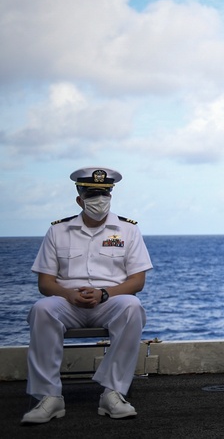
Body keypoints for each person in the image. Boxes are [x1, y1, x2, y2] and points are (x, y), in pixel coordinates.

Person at [21, 167, 153, 424]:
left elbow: (137, 281)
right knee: (42, 309)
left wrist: (104, 293)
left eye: (104, 195)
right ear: (79, 199)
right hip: (68, 302)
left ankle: (112, 393)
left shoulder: (128, 230)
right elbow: (45, 282)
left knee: (132, 306)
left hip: (110, 301)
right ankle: (49, 397)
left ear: (111, 196)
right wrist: (67, 294)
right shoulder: (58, 231)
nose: (99, 201)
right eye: (92, 195)